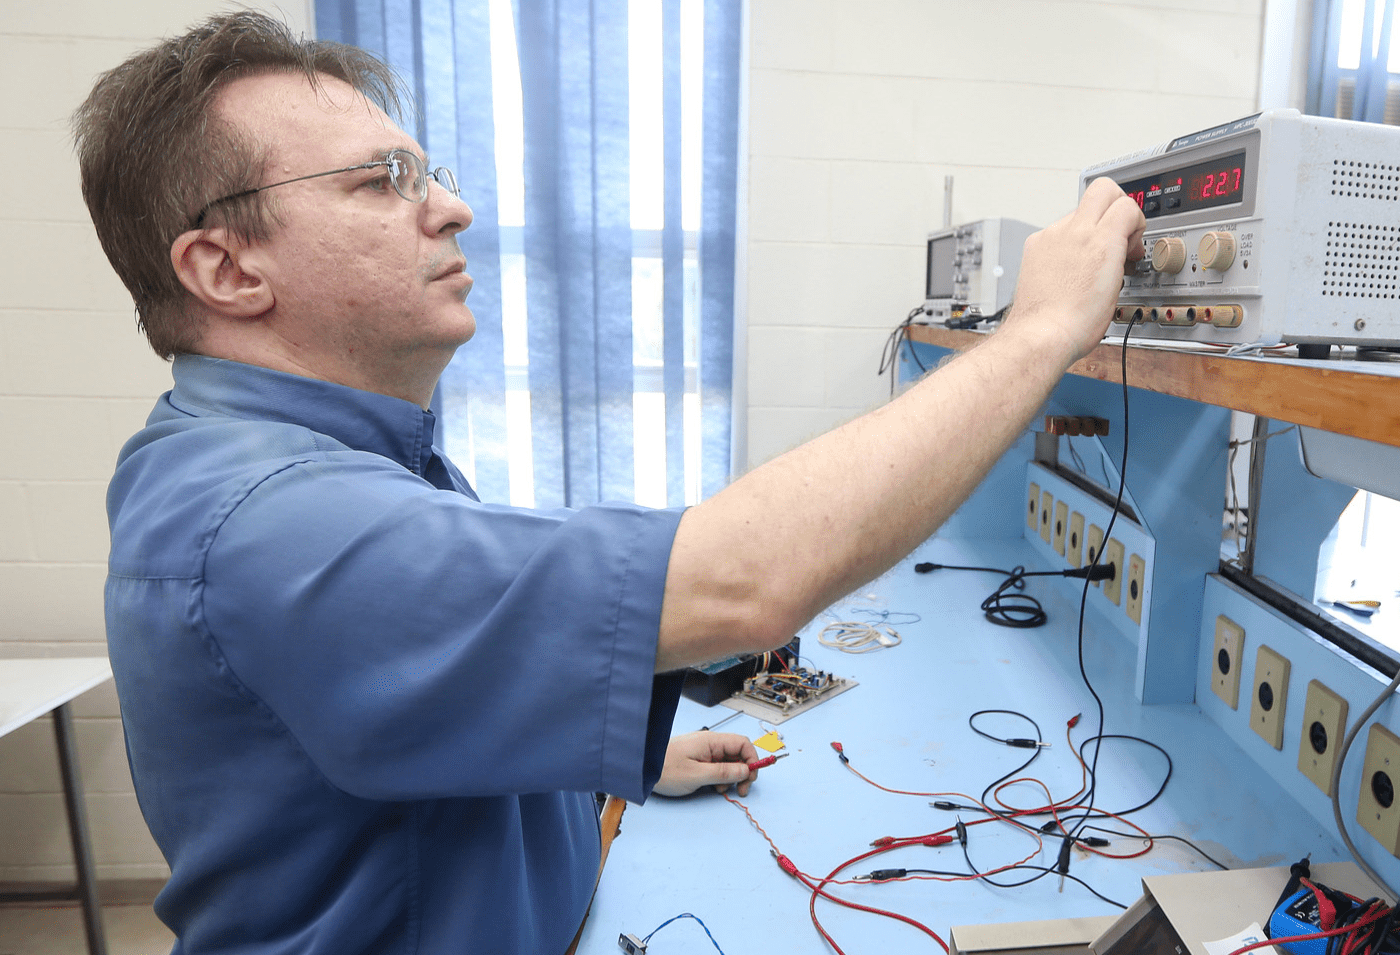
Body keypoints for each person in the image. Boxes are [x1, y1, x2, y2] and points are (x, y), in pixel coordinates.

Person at [77, 11, 1142, 955]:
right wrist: (1037, 331)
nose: (451, 207)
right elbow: (741, 582)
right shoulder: (273, 520)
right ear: (227, 270)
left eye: (426, 170)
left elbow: (420, 697)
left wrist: (603, 766)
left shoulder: (301, 452)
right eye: (381, 181)